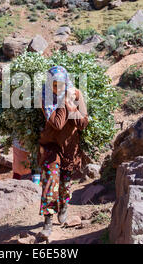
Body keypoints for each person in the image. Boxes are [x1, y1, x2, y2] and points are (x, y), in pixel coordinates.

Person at [37, 66, 89, 238]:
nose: (57, 88)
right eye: (54, 85)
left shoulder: (77, 95)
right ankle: (47, 222)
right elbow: (58, 124)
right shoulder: (45, 98)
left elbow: (83, 123)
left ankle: (64, 206)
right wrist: (64, 103)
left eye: (61, 84)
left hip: (70, 146)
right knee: (50, 181)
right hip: (51, 145)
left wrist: (74, 105)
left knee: (65, 182)